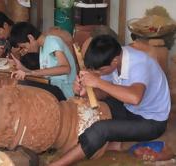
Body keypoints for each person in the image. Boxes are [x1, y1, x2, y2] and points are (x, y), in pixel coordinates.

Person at [49, 35, 171, 165]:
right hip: (129, 109)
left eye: (101, 70)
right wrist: (84, 91)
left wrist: (97, 81)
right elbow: (103, 93)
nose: (100, 74)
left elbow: (135, 98)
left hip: (152, 122)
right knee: (94, 111)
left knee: (102, 129)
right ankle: (108, 143)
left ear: (115, 61)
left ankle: (56, 164)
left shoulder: (139, 63)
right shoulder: (111, 59)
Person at [9, 22, 77, 99]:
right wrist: (22, 68)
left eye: (24, 47)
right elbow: (44, 74)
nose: (26, 50)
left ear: (30, 38)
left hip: (64, 91)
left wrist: (30, 72)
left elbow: (66, 69)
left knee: (25, 86)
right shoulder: (42, 49)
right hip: (54, 86)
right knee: (21, 83)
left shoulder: (52, 41)